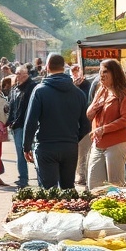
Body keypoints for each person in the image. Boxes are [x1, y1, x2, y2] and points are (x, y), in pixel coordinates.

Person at [21, 54, 89, 189]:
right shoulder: (78, 93)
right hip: (69, 146)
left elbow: (31, 121)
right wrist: (74, 139)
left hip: (46, 145)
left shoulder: (40, 91)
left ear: (47, 67)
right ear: (63, 67)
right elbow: (86, 125)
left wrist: (26, 146)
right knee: (68, 189)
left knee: (48, 191)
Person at [85, 59, 126, 188]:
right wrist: (94, 107)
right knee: (93, 185)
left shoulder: (123, 94)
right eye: (100, 72)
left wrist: (103, 129)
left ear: (115, 73)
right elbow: (89, 115)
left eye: (105, 72)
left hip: (116, 143)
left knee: (115, 186)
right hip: (98, 143)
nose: (101, 75)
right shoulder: (101, 91)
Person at [6, 66, 37, 188]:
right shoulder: (15, 88)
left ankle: (40, 177)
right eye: (16, 73)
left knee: (33, 151)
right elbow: (11, 105)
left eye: (19, 73)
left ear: (26, 74)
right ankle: (23, 178)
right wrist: (9, 121)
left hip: (29, 125)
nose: (17, 76)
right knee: (20, 153)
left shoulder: (33, 87)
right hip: (16, 126)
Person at [70, 63, 92, 185]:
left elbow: (87, 102)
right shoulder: (70, 85)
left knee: (84, 152)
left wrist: (76, 88)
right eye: (73, 71)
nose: (75, 74)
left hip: (85, 125)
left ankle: (83, 176)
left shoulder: (87, 85)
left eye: (77, 71)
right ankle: (80, 175)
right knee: (77, 153)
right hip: (74, 125)